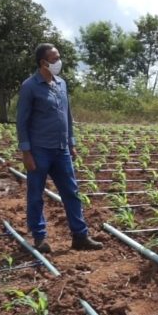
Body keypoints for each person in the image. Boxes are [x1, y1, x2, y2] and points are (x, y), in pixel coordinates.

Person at [17, 43, 103, 253]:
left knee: (71, 192)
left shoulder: (61, 84)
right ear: (43, 62)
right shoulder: (30, 86)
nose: (59, 62)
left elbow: (67, 116)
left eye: (58, 58)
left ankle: (80, 236)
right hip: (39, 150)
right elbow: (22, 121)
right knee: (36, 195)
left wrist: (71, 143)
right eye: (54, 59)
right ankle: (39, 238)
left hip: (61, 149)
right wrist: (26, 152)